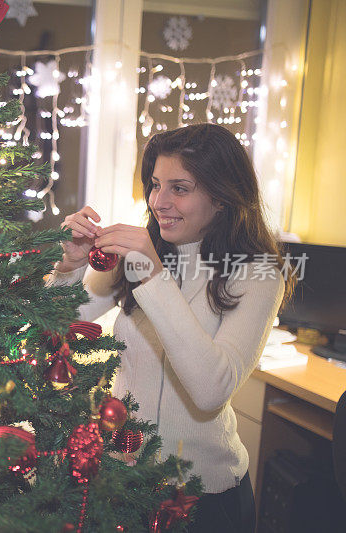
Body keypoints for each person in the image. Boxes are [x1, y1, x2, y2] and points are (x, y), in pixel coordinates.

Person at [50, 123, 295, 532]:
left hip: (203, 499)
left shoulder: (260, 274)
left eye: (179, 188)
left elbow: (210, 390)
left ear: (221, 197)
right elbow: (61, 322)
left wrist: (153, 275)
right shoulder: (139, 255)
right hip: (122, 479)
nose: (159, 201)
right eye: (155, 184)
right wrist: (70, 266)